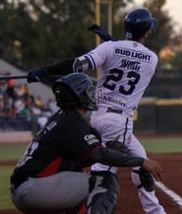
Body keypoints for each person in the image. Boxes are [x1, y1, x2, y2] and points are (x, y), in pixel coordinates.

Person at [26, 8, 166, 213]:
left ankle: (155, 211)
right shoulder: (152, 58)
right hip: (120, 121)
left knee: (140, 161)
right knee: (102, 173)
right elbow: (132, 56)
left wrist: (45, 71)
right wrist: (112, 42)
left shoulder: (109, 48)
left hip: (97, 116)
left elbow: (76, 65)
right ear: (146, 32)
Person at [10, 73, 163, 213]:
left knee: (77, 175)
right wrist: (140, 161)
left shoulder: (61, 118)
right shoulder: (72, 122)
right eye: (88, 90)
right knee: (103, 181)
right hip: (33, 189)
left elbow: (78, 159)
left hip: (27, 188)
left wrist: (109, 149)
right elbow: (100, 156)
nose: (92, 94)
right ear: (78, 95)